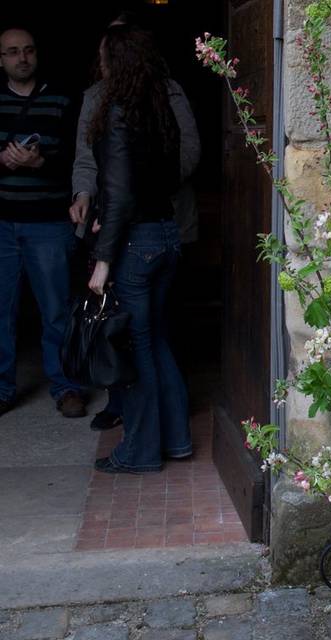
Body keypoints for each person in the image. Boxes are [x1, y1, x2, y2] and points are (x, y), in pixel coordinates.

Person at [71, 13, 200, 432]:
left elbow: (186, 153)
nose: (102, 58)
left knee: (147, 333)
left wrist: (137, 196)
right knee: (129, 329)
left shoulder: (167, 93)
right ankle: (142, 416)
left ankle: (146, 439)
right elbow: (90, 160)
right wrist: (85, 195)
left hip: (141, 226)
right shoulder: (97, 98)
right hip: (128, 224)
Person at [0, 27, 86, 418]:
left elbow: (79, 159)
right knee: (2, 312)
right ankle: (2, 389)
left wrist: (40, 163)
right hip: (2, 224)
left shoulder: (63, 97)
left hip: (50, 223)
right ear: (1, 59)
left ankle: (67, 386)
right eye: (14, 52)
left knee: (57, 310)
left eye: (29, 50)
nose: (22, 58)